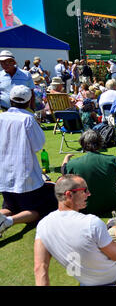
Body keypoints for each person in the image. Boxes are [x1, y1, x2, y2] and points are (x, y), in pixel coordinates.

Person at [34, 175, 116, 286]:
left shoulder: (43, 226)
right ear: (69, 195)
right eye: (84, 190)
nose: (89, 194)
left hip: (88, 278)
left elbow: (40, 268)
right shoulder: (91, 223)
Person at [0, 85, 57, 238]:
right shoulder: (28, 119)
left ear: (10, 100)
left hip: (3, 173)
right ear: (29, 100)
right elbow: (38, 145)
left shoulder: (1, 117)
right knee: (40, 209)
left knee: (10, 205)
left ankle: (4, 218)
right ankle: (9, 222)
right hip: (24, 174)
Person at [62, 130, 116, 216]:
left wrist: (66, 157)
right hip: (110, 205)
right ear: (100, 143)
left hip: (83, 208)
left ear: (82, 144)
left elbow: (64, 172)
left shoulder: (72, 164)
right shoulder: (112, 160)